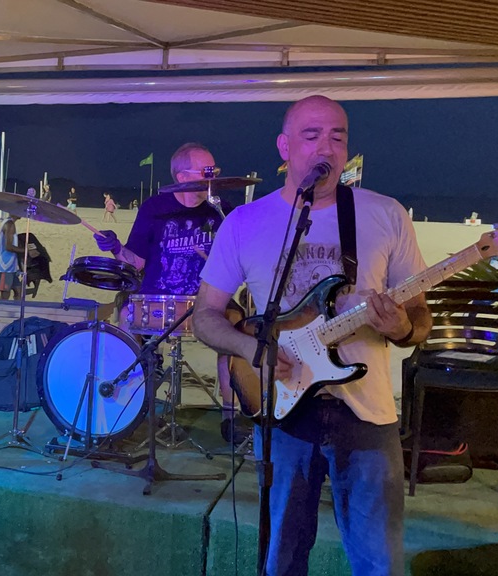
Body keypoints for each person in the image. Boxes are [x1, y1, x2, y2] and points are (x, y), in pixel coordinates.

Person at [193, 95, 432, 575]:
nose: (327, 146)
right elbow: (205, 316)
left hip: (367, 413)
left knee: (380, 563)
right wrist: (252, 348)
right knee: (281, 559)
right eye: (312, 135)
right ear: (284, 147)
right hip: (281, 414)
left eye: (338, 136)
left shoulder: (385, 214)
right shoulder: (245, 222)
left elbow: (420, 316)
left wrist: (403, 327)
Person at [94, 142, 249, 444]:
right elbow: (136, 262)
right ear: (182, 177)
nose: (213, 176)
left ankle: (231, 417)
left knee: (237, 327)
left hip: (207, 303)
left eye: (214, 170)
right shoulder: (154, 209)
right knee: (125, 318)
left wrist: (224, 263)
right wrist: (114, 247)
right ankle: (130, 409)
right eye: (206, 171)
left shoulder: (221, 210)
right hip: (158, 300)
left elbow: (240, 265)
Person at [0, 213, 38, 300]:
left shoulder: (9, 223)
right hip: (5, 265)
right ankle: (2, 308)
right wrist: (26, 251)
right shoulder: (10, 225)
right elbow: (8, 247)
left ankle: (15, 308)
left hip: (10, 265)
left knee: (18, 291)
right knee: (5, 294)